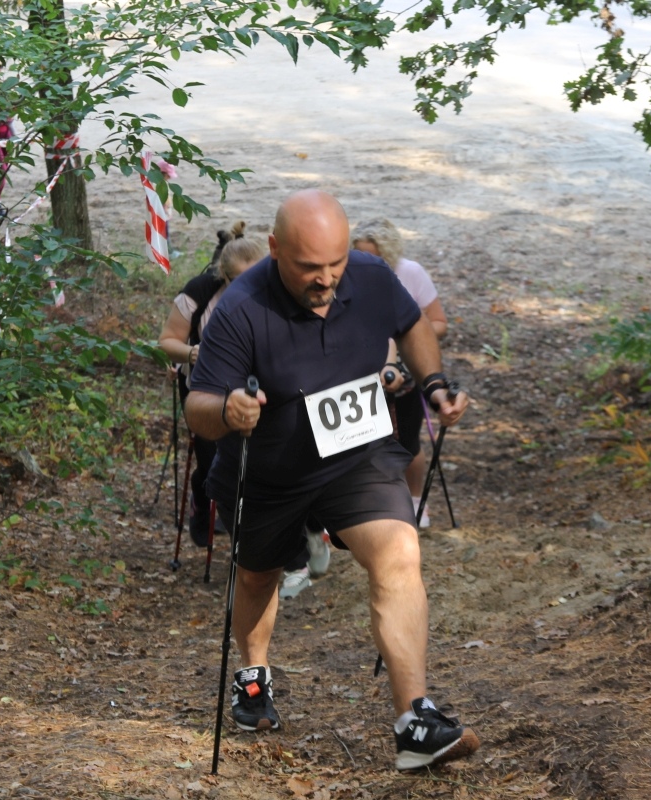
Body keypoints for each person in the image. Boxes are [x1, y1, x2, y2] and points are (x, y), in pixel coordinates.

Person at [185, 189, 479, 771]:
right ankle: (254, 678)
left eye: (335, 264)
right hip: (267, 471)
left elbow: (414, 323)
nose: (326, 280)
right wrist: (229, 413)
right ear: (274, 250)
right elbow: (199, 403)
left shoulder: (368, 274)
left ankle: (414, 720)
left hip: (353, 452)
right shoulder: (241, 306)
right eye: (309, 268)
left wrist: (434, 383)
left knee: (399, 552)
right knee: (257, 576)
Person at [159, 223, 331, 596]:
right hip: (211, 401)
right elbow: (167, 340)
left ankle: (298, 549)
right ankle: (231, 532)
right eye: (237, 279)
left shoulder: (287, 294)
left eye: (255, 277)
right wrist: (193, 353)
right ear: (224, 276)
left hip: (271, 401)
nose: (247, 287)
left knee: (291, 471)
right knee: (219, 474)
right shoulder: (200, 293)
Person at [351, 219, 448, 528]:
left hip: (407, 367)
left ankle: (418, 501)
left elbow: (438, 323)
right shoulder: (344, 275)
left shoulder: (411, 273)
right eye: (359, 255)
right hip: (362, 367)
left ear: (389, 255)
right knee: (360, 438)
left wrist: (406, 334)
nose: (365, 262)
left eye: (374, 257)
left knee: (408, 438)